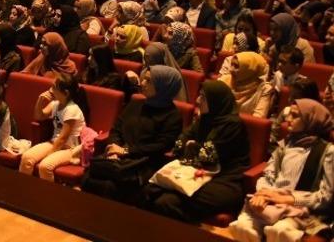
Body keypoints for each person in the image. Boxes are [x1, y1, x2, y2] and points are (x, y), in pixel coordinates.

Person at [145, 80, 251, 223]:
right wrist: (192, 146)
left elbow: (207, 156)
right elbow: (179, 143)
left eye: (203, 97)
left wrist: (192, 146)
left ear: (215, 101)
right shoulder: (204, 119)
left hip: (224, 181)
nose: (197, 100)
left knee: (166, 202)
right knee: (151, 191)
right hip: (196, 172)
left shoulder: (232, 125)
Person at [228, 99, 334, 242]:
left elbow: (325, 196)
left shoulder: (327, 152)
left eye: (295, 116)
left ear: (310, 120)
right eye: (289, 114)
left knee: (280, 231)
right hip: (272, 201)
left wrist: (288, 199)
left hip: (301, 209)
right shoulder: (285, 145)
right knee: (242, 226)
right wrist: (263, 193)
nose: (288, 119)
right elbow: (268, 174)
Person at [83, 66, 185, 205]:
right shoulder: (135, 103)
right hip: (118, 156)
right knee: (90, 176)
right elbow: (116, 129)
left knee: (110, 186)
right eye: (144, 79)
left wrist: (126, 151)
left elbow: (160, 147)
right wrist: (114, 148)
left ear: (163, 86)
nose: (142, 83)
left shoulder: (173, 116)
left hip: (145, 162)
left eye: (148, 81)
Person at [19, 73, 89, 180]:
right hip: (54, 143)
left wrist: (48, 155)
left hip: (70, 149)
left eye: (54, 87)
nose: (51, 90)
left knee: (45, 166)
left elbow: (62, 138)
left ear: (65, 93)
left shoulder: (72, 109)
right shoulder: (55, 104)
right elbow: (38, 116)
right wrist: (40, 100)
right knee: (26, 158)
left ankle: (47, 195)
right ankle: (25, 191)